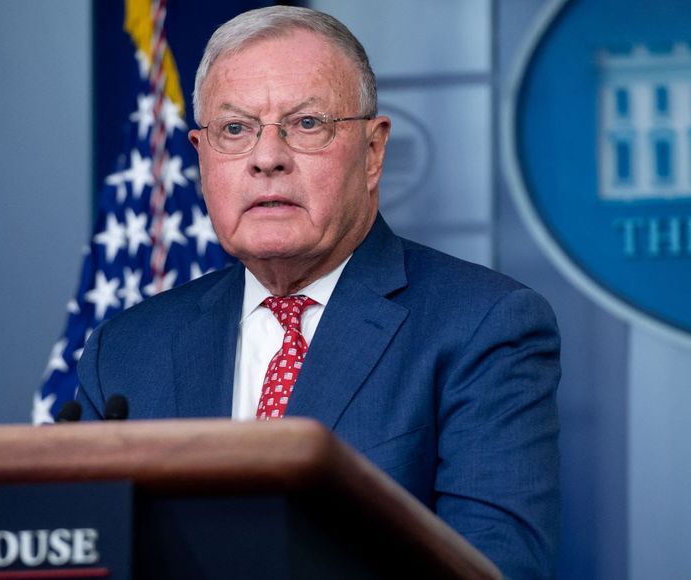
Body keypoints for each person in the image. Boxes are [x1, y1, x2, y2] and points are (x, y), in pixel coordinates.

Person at [77, 6, 560, 578]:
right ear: (201, 156)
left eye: (306, 124)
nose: (267, 158)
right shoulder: (126, 351)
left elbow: (494, 566)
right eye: (235, 129)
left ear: (374, 152)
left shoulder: (485, 326)